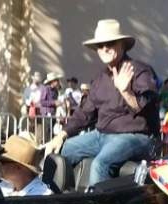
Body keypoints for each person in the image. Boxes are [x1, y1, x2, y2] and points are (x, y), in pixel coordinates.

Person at [48, 19, 159, 186]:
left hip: (136, 136)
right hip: (101, 136)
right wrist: (61, 135)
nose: (105, 48)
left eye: (110, 43)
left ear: (122, 45)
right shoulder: (100, 79)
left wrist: (126, 91)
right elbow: (84, 113)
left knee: (101, 163)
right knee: (61, 151)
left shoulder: (140, 71)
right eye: (100, 45)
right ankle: (53, 202)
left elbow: (147, 107)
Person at [40, 72, 63, 143]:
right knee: (47, 133)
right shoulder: (46, 89)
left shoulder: (56, 91)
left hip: (53, 114)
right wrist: (54, 102)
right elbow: (42, 102)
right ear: (52, 81)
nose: (58, 82)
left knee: (52, 133)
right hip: (46, 114)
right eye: (57, 80)